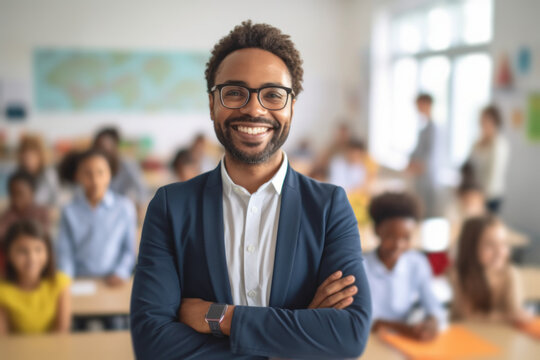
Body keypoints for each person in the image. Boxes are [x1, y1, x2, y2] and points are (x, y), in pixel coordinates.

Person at [130, 21, 371, 359]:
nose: (254, 109)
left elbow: (348, 337)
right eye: (234, 92)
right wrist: (299, 333)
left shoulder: (329, 207)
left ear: (291, 106)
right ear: (213, 103)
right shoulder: (171, 207)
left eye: (273, 94)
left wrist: (220, 318)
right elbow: (152, 345)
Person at [364, 192, 445, 341]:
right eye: (390, 236)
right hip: (368, 341)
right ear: (376, 230)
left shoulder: (417, 263)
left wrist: (432, 321)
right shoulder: (361, 266)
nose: (398, 245)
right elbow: (361, 319)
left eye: (406, 238)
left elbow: (433, 304)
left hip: (403, 342)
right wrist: (402, 329)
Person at [55, 149, 136, 286]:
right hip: (79, 280)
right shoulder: (69, 210)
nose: (95, 180)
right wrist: (66, 279)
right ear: (77, 176)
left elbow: (129, 250)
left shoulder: (124, 208)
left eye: (100, 172)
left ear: (110, 174)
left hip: (113, 280)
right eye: (87, 173)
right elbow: (65, 252)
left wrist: (121, 272)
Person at [450, 215, 530, 323]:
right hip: (464, 334)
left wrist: (511, 316)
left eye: (504, 243)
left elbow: (515, 313)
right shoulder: (459, 275)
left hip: (501, 336)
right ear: (471, 248)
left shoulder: (510, 273)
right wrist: (506, 317)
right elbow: (468, 317)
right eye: (489, 245)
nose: (499, 252)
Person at [0, 220, 71, 334]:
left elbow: (62, 332)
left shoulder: (59, 283)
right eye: (22, 251)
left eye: (38, 249)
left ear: (48, 251)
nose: (32, 258)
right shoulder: (2, 292)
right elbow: (3, 339)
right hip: (16, 351)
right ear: (8, 254)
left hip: (53, 350)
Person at [0, 172, 50, 276]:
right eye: (12, 194)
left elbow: (43, 239)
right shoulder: (7, 214)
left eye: (20, 193)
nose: (16, 198)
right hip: (13, 263)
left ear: (32, 193)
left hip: (37, 263)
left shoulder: (41, 213)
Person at [466, 106, 510, 214]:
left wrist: (480, 197)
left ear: (494, 122)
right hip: (473, 194)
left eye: (486, 120)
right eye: (481, 120)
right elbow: (468, 166)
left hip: (490, 196)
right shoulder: (477, 143)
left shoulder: (499, 145)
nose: (482, 123)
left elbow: (493, 175)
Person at [93, 127, 148, 207]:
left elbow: (141, 189)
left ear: (115, 146)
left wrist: (139, 206)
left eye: (105, 148)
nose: (102, 152)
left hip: (121, 207)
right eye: (98, 148)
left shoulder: (127, 164)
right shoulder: (92, 166)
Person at [407, 93, 440, 218]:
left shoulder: (434, 128)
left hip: (428, 178)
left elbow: (430, 157)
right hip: (421, 177)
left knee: (426, 212)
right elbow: (417, 151)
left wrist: (416, 166)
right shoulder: (424, 128)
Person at [16, 134, 60, 208]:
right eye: (25, 153)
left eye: (32, 154)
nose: (28, 158)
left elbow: (38, 201)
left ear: (41, 155)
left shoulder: (48, 174)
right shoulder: (20, 174)